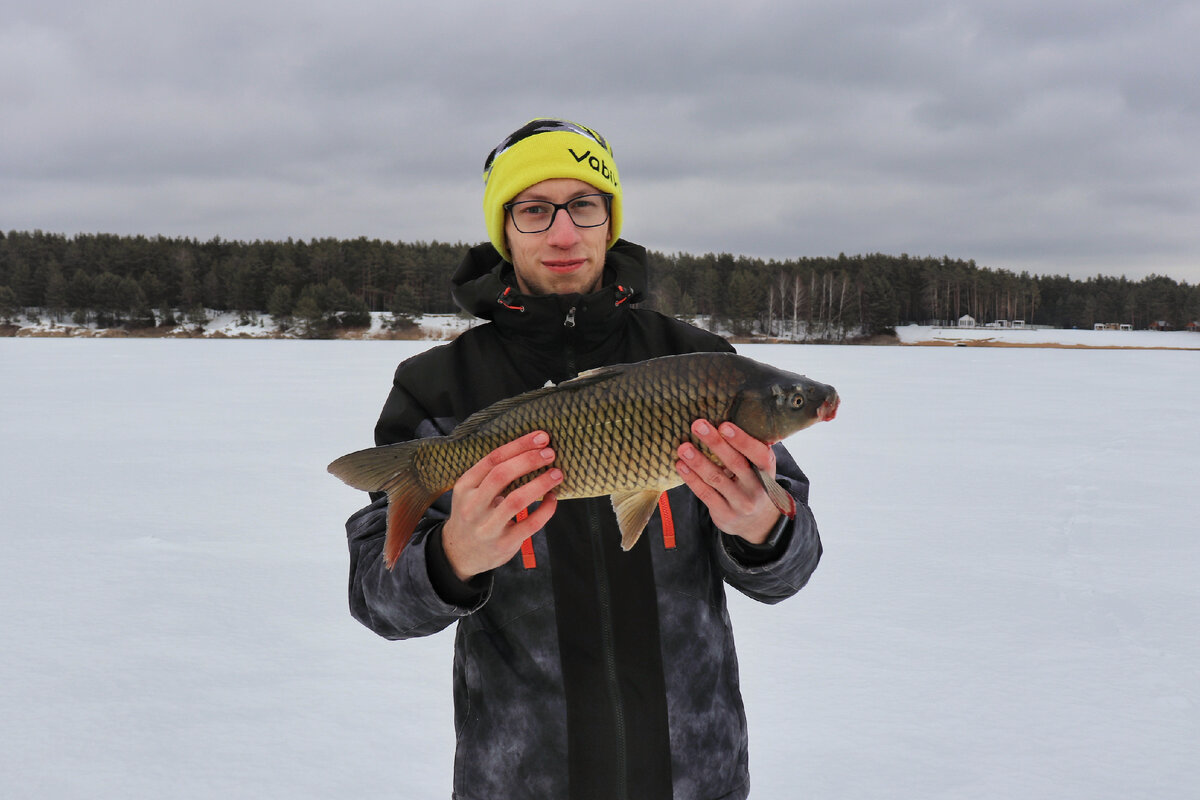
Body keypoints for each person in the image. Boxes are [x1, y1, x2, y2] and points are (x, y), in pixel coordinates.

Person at [343, 118, 823, 800]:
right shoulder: (437, 388)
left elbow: (791, 570)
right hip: (519, 782)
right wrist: (451, 556)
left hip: (696, 778)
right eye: (535, 210)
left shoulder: (704, 369)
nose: (564, 233)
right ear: (504, 228)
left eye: (584, 205)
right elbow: (377, 596)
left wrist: (763, 529)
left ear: (609, 219)